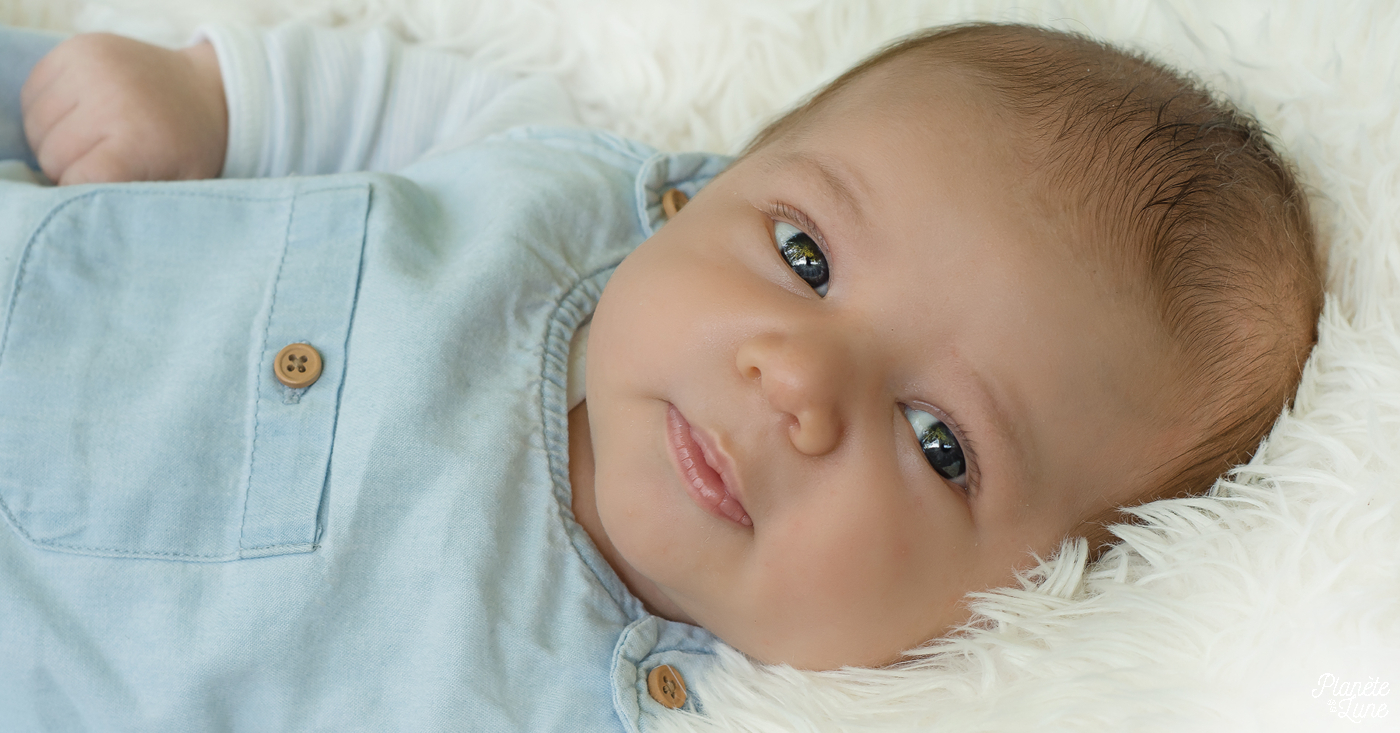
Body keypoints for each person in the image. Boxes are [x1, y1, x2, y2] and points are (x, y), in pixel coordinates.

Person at [0, 19, 1321, 730]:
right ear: (706, 187)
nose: (798, 381)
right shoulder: (560, 196)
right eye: (803, 253)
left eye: (938, 443)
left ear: (1011, 609)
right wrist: (212, 102)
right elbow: (386, 111)